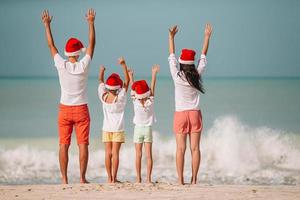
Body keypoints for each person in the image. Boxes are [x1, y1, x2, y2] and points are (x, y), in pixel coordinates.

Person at [41, 9, 96, 184]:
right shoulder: (83, 66)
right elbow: (92, 43)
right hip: (81, 109)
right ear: (78, 53)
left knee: (63, 144)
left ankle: (64, 179)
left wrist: (47, 25)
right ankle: (81, 178)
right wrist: (90, 22)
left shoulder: (61, 64)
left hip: (64, 108)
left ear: (67, 53)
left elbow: (51, 45)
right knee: (83, 144)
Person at [168, 24, 212, 184]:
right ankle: (194, 180)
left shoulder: (176, 75)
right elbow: (203, 56)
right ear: (192, 64)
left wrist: (171, 37)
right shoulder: (197, 74)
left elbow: (171, 56)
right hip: (194, 114)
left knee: (180, 149)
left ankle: (180, 180)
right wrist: (207, 37)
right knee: (195, 149)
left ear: (181, 63)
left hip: (180, 114)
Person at [98, 57, 130, 183]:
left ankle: (108, 177)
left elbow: (100, 82)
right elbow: (127, 81)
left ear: (107, 87)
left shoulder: (103, 97)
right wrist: (123, 65)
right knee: (115, 153)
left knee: (108, 153)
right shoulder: (121, 97)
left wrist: (102, 71)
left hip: (106, 128)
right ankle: (114, 178)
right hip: (118, 129)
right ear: (118, 87)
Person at [128, 65, 160, 183]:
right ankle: (148, 179)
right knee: (148, 156)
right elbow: (152, 88)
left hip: (138, 129)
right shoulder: (150, 101)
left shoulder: (135, 101)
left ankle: (138, 178)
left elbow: (133, 89)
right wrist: (154, 74)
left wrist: (131, 76)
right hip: (147, 130)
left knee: (138, 155)